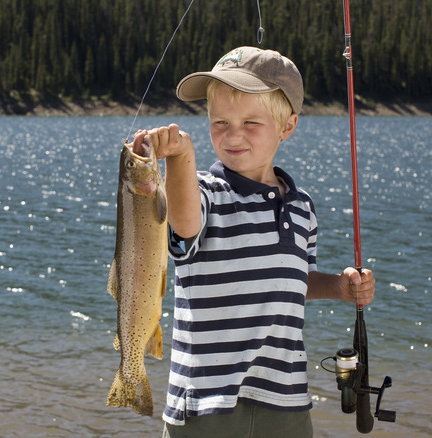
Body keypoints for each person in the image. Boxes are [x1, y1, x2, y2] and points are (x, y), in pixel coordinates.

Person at [131, 46, 375, 438]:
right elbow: (185, 224)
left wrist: (339, 287)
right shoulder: (203, 193)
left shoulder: (302, 207)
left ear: (287, 126)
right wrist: (180, 158)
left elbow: (293, 281)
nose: (233, 135)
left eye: (250, 123)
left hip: (286, 401)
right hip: (205, 405)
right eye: (220, 121)